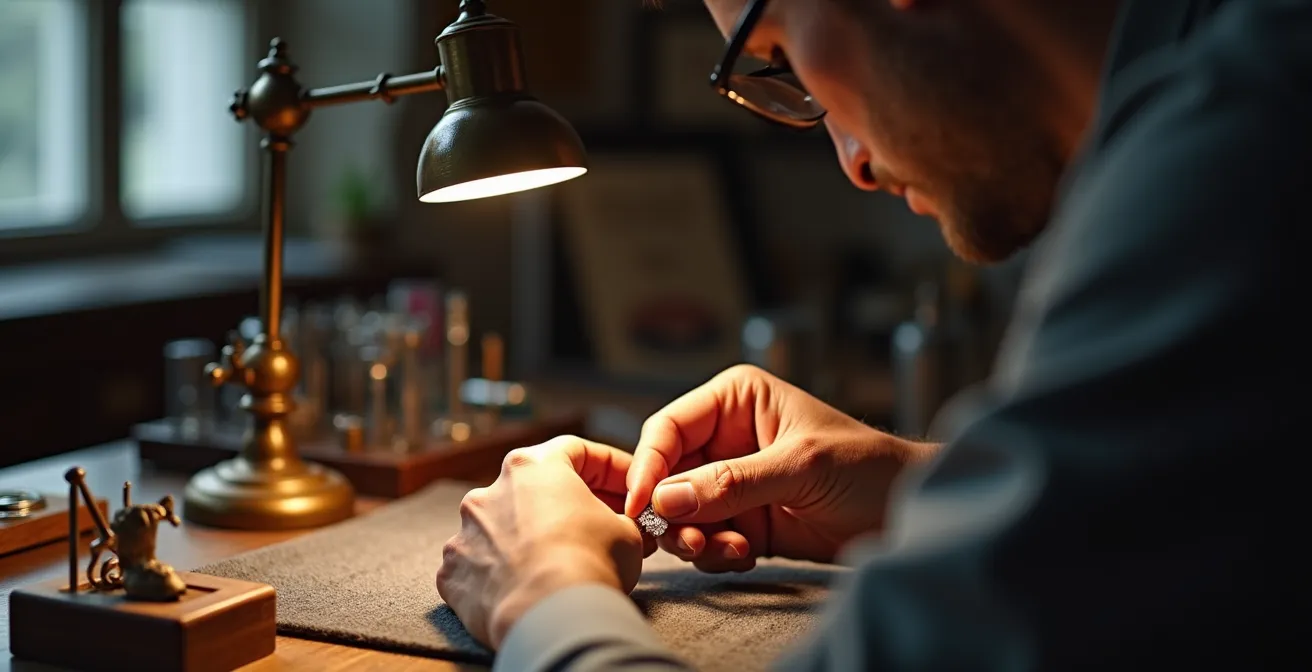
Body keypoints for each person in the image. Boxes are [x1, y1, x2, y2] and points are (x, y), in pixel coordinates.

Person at [437, 0, 1304, 668]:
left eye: (778, 53)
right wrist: (920, 489)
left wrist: (545, 598)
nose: (851, 161)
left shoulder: (1242, 151)